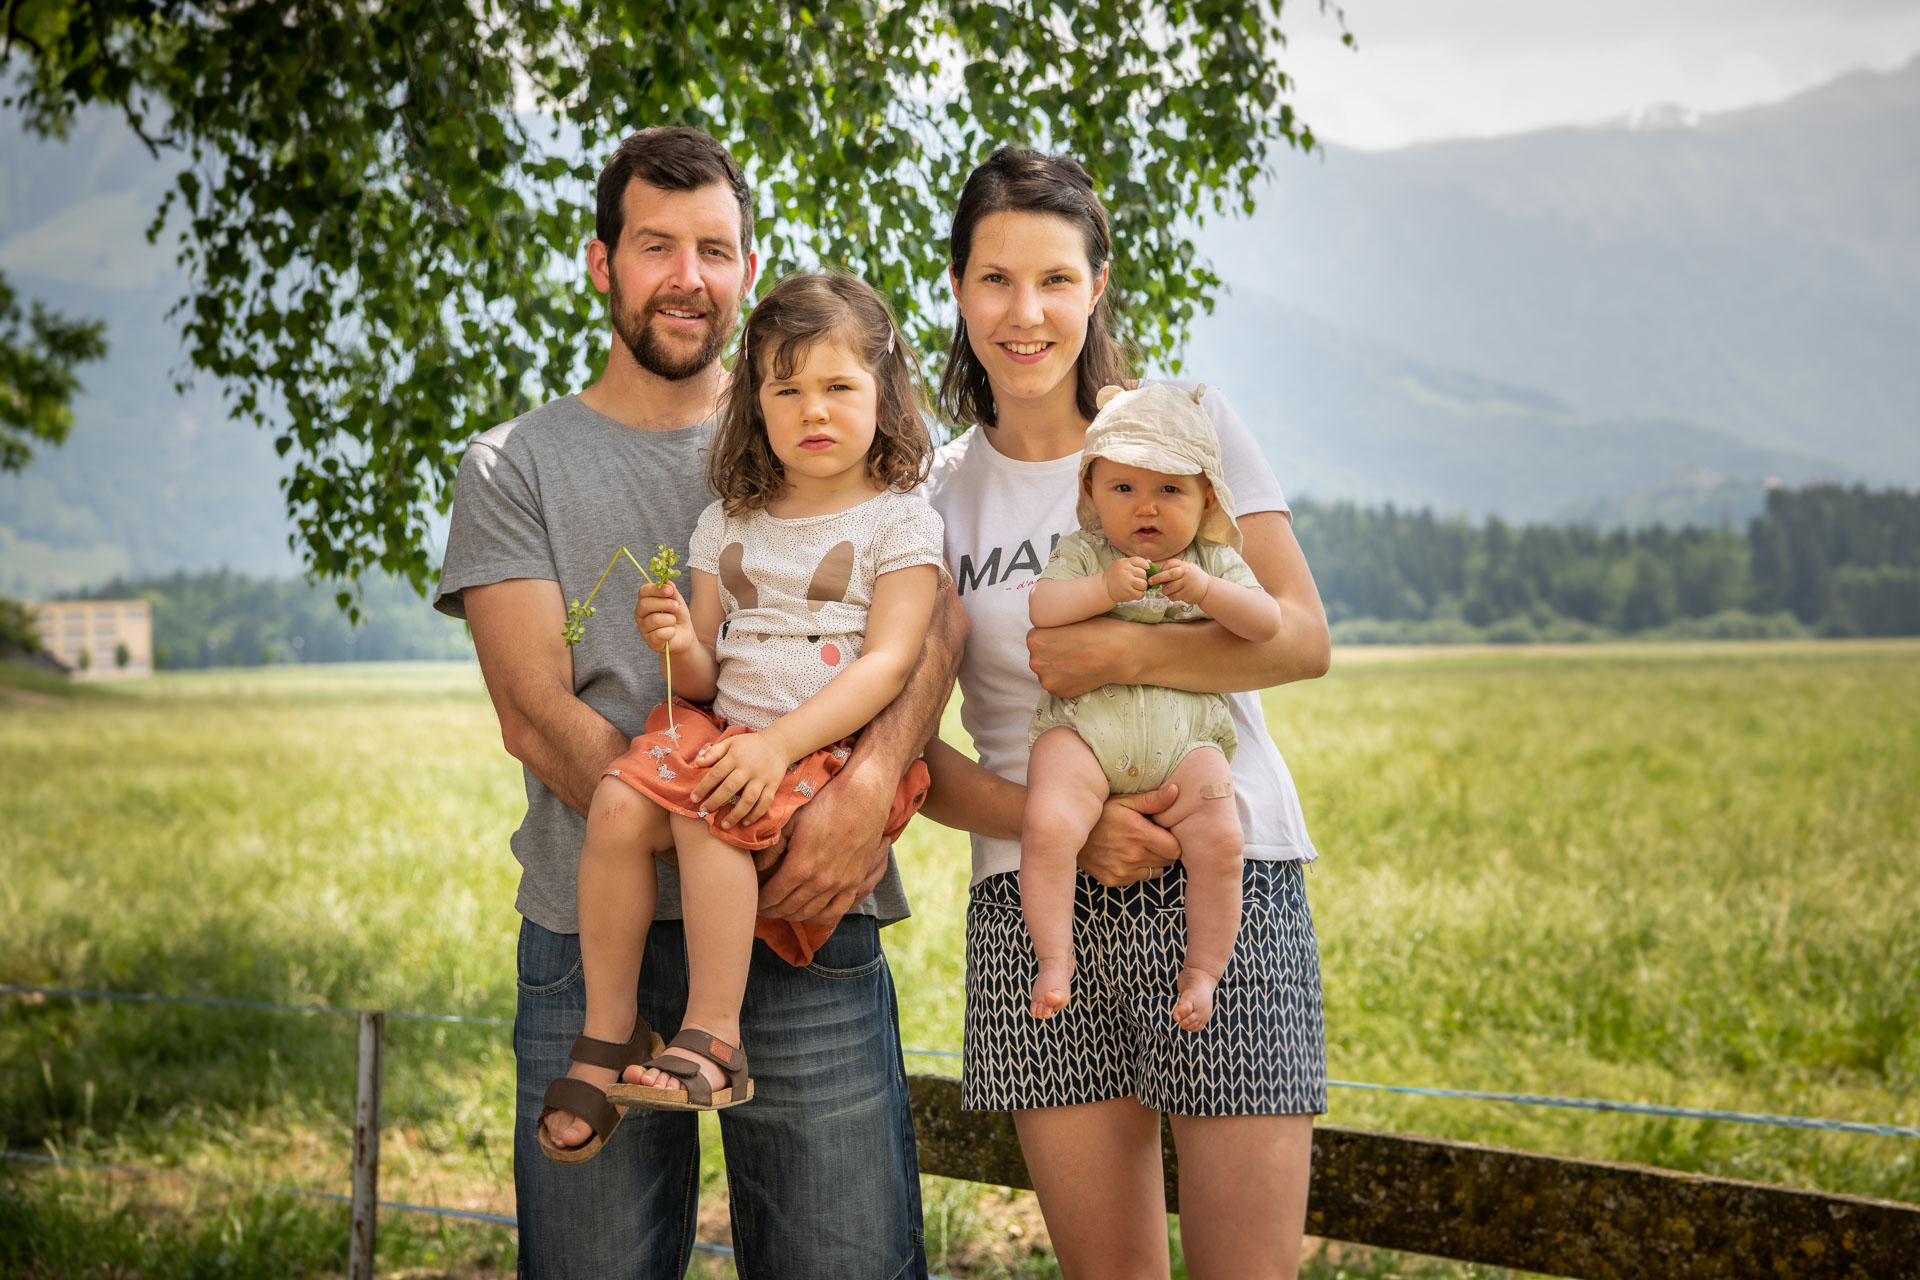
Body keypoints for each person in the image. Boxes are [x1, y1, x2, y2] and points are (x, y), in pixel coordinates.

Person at [434, 127, 956, 1279]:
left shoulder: (827, 431)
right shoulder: (513, 464)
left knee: (847, 1266)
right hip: (595, 933)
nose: (688, 277)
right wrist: (716, 823)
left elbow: (928, 634)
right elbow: (534, 710)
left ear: (746, 269)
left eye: (715, 250)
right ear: (599, 262)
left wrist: (862, 794)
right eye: (656, 245)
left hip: (815, 910)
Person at [920, 146, 1332, 1280]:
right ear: (957, 288)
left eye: (1055, 278)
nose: (1026, 311)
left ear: (1097, 287)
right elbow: (910, 750)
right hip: (1035, 902)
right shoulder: (934, 492)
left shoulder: (1188, 425)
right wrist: (1066, 820)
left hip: (1226, 874)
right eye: (996, 278)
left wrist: (1105, 648)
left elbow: (1301, 636)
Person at [536, 271, 944, 1158]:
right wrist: (676, 637)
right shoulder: (728, 520)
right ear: (754, 401)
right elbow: (707, 671)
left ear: (884, 392)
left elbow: (890, 661)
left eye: (839, 386)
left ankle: (715, 1036)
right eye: (785, 388)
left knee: (714, 798)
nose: (814, 410)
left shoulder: (901, 521)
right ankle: (612, 1032)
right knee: (615, 799)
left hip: (820, 750)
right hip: (730, 732)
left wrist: (777, 746)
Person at [1022, 382, 1281, 1034]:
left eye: (1171, 490)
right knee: (1049, 824)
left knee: (1221, 841)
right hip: (1086, 730)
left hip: (1185, 740)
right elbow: (1043, 609)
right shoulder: (1084, 554)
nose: (1147, 507)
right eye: (1123, 489)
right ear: (1091, 495)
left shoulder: (1214, 560)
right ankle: (1055, 958)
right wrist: (1103, 587)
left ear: (1207, 500)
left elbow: (1267, 622)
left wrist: (1210, 591)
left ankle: (1203, 970)